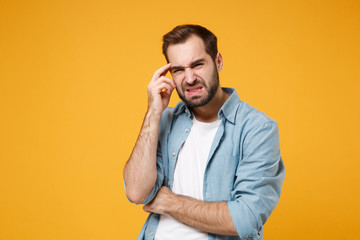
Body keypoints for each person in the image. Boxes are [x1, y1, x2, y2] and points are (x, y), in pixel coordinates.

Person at [123, 24, 285, 240]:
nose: (189, 79)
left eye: (197, 65)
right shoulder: (165, 120)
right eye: (178, 70)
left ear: (218, 61)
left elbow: (245, 218)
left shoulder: (257, 129)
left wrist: (170, 202)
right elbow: (136, 192)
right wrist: (153, 111)